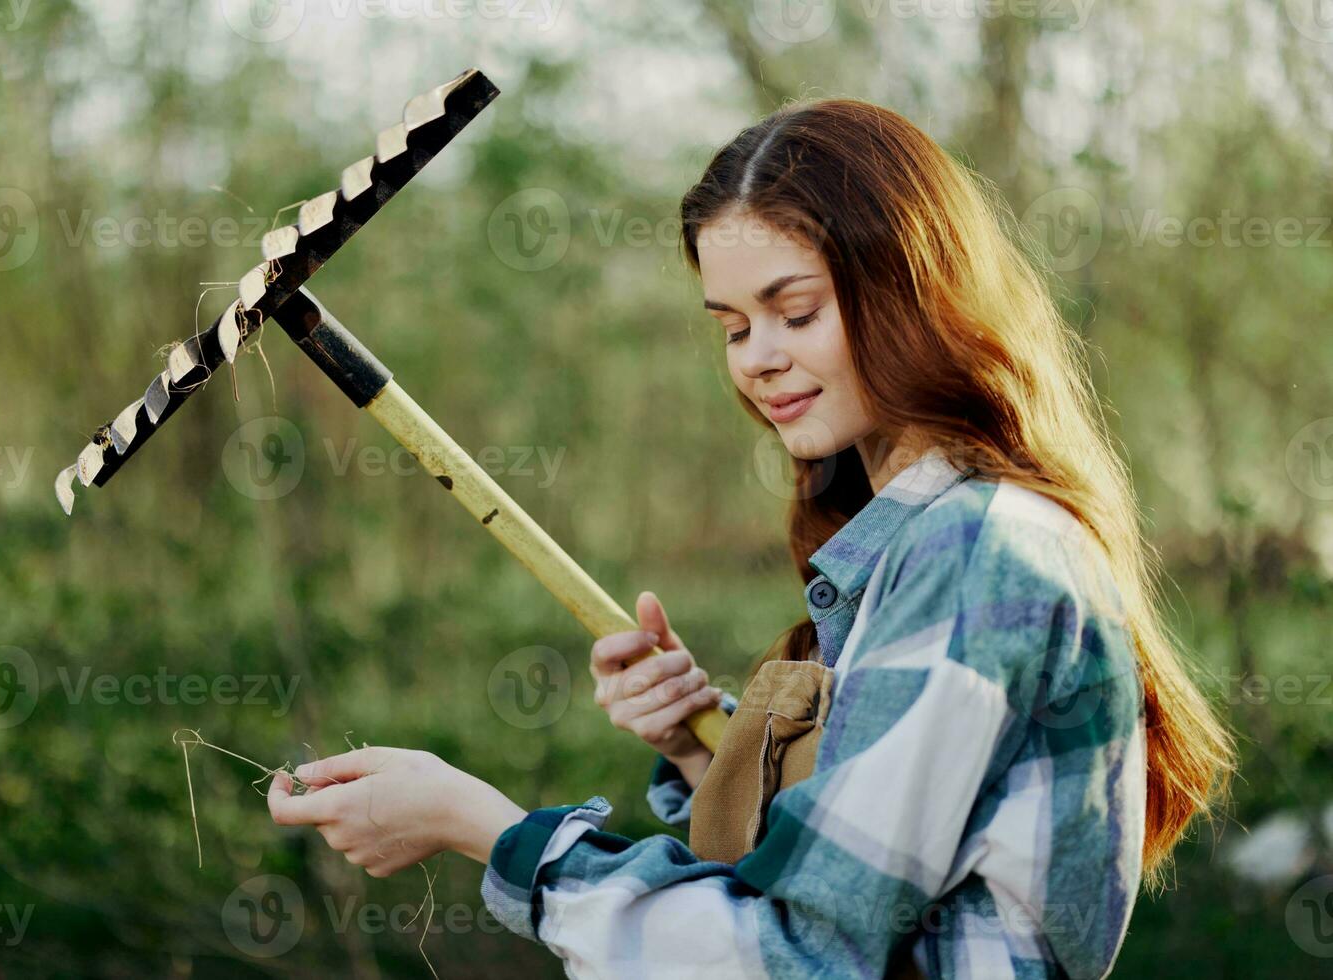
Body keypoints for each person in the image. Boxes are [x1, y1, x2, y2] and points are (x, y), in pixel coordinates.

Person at [266, 97, 1234, 978]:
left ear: (916, 292)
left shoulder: (978, 552)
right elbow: (874, 879)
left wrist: (487, 828)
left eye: (795, 310)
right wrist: (709, 746)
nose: (759, 360)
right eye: (732, 326)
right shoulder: (916, 541)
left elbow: (803, 953)